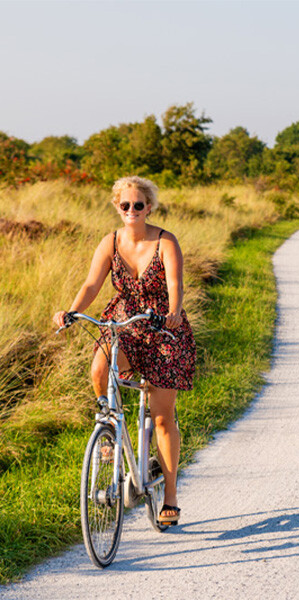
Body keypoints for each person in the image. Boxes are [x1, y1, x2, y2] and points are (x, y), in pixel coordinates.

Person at [53, 175, 196, 525]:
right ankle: (108, 426)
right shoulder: (110, 242)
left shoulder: (166, 242)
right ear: (117, 207)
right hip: (123, 324)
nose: (131, 210)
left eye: (138, 205)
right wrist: (71, 311)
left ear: (149, 207)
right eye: (125, 205)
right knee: (100, 368)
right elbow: (91, 283)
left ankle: (171, 496)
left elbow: (175, 284)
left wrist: (173, 313)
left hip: (162, 327)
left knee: (162, 417)